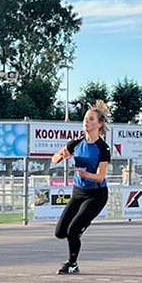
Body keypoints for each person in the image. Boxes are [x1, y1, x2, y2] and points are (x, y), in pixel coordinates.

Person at [50, 101, 112, 274]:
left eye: (91, 119)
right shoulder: (76, 143)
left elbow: (100, 177)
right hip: (79, 192)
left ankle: (72, 263)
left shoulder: (103, 148)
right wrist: (59, 157)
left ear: (99, 125)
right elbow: (55, 157)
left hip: (96, 194)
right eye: (85, 119)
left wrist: (87, 175)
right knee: (60, 232)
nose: (86, 122)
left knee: (73, 230)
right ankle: (77, 232)